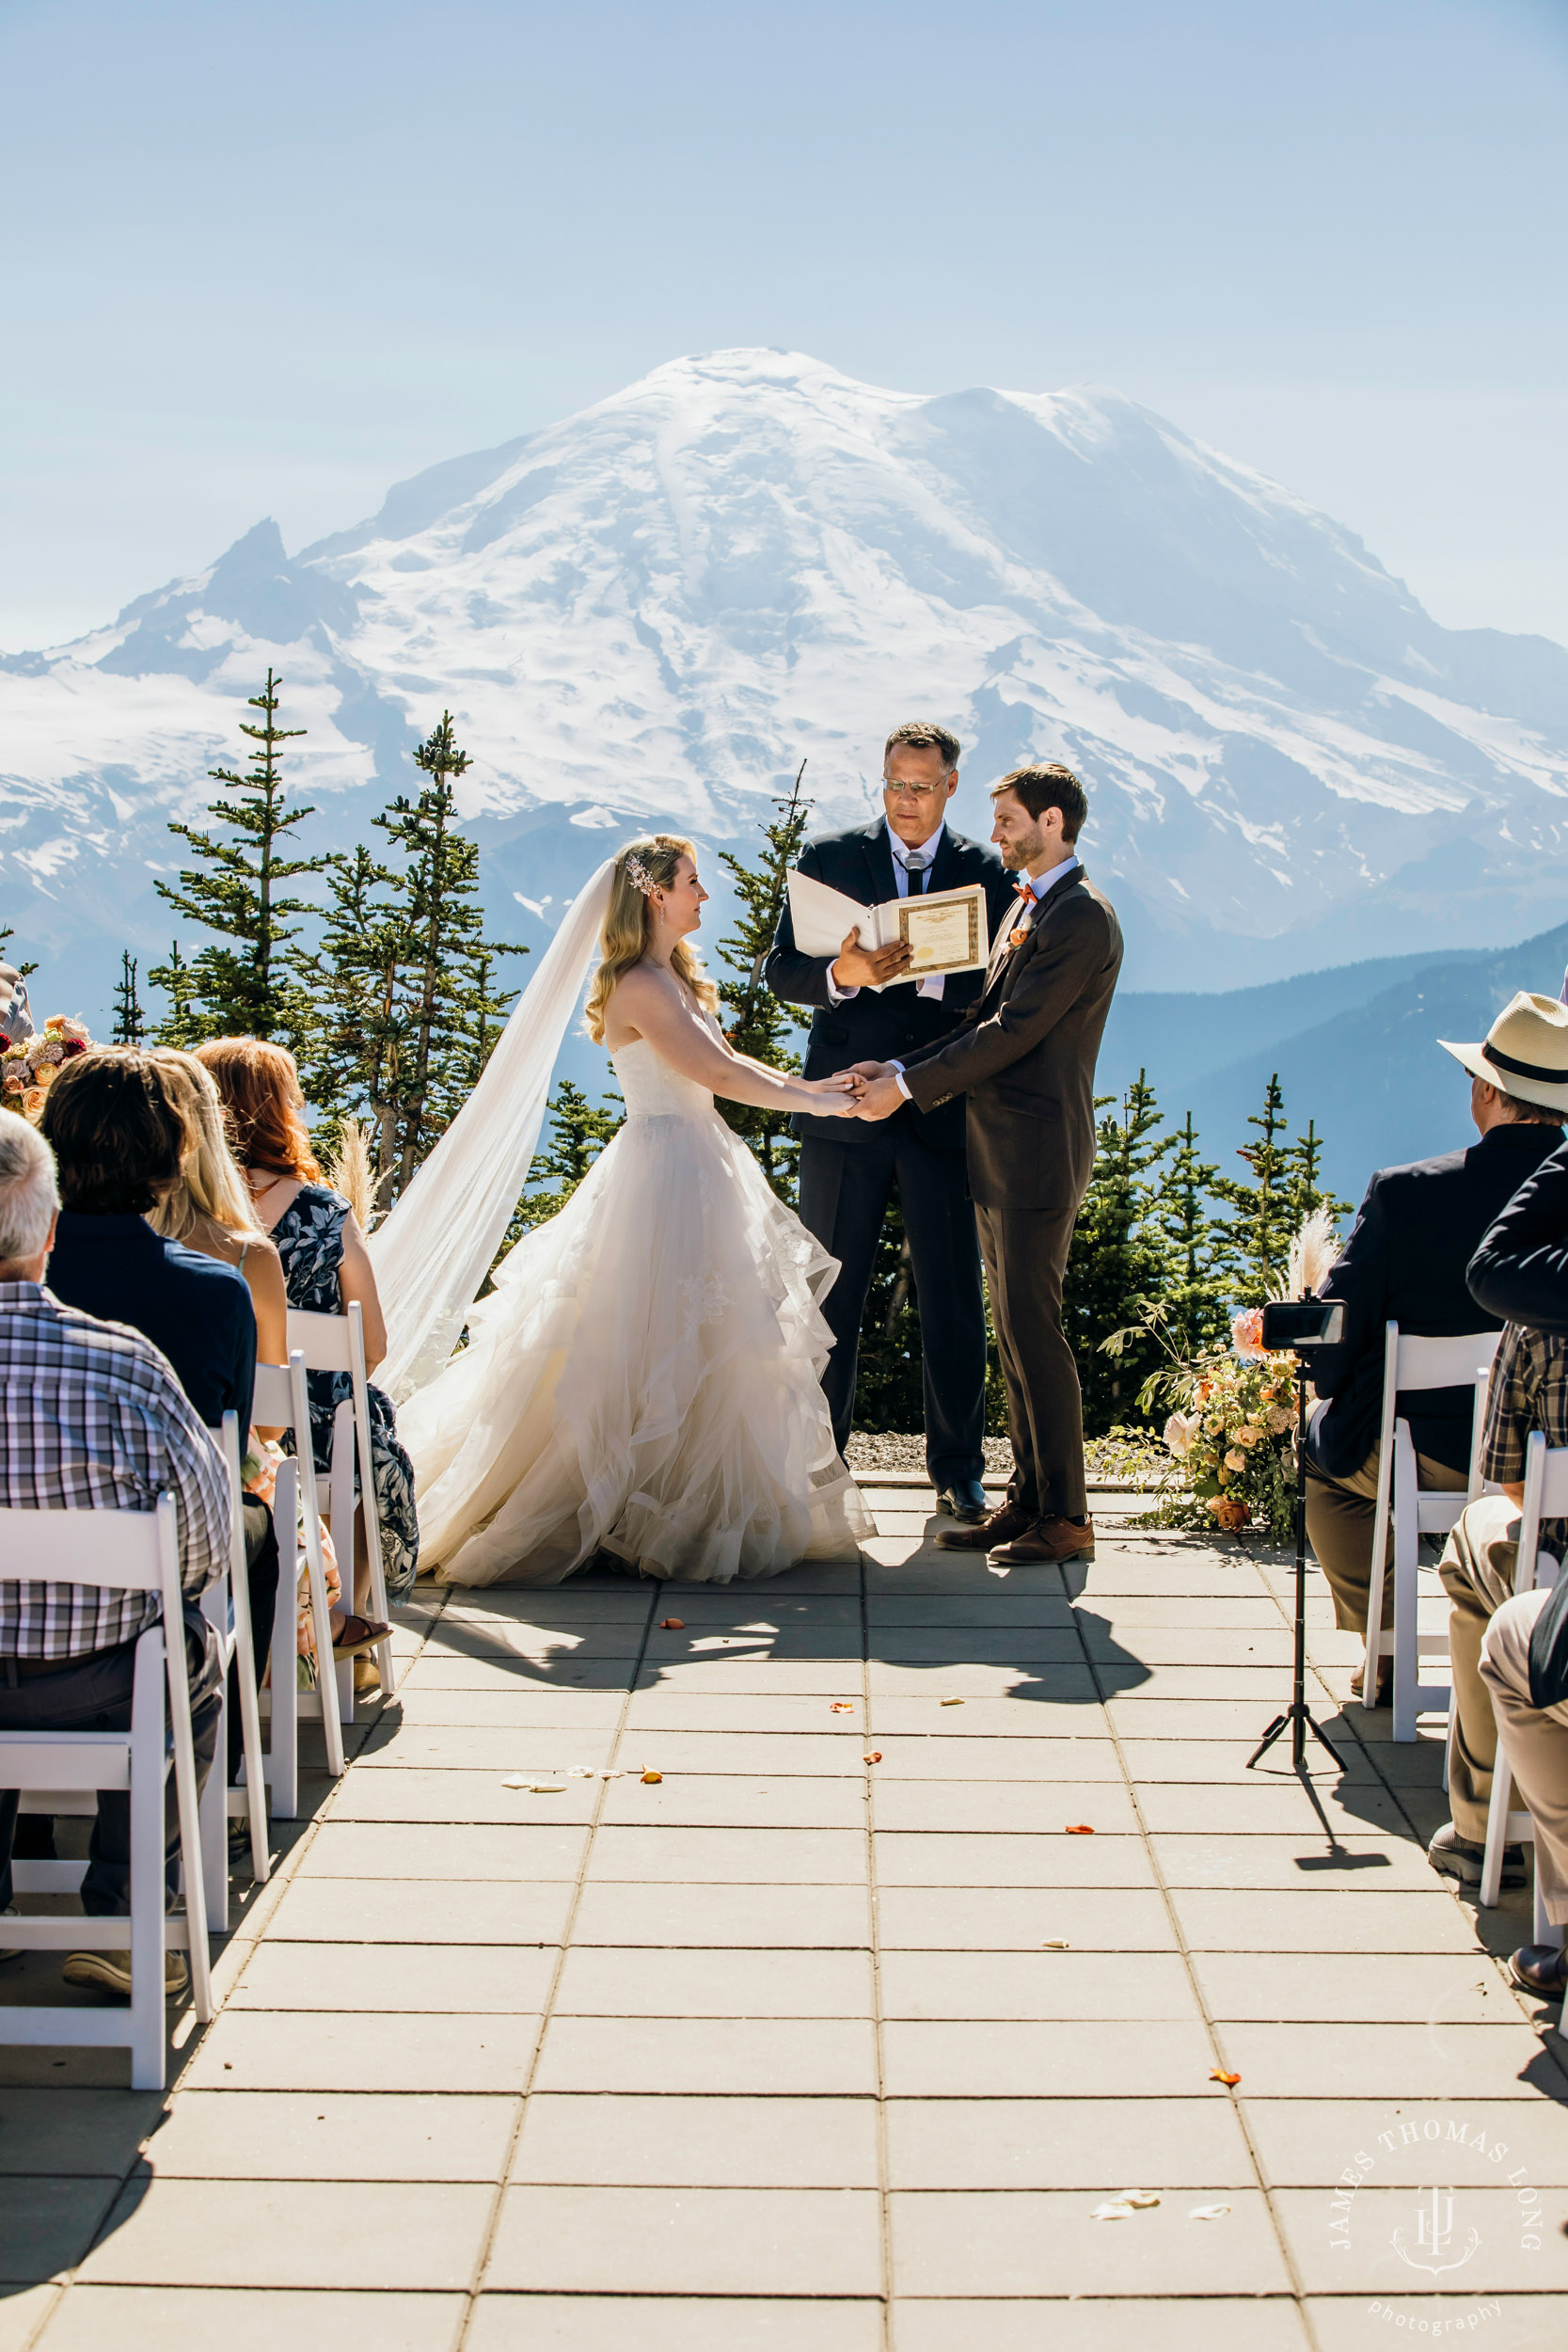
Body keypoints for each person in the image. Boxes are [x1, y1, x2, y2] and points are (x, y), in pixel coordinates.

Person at [395, 835, 872, 1585]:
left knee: (697, 1338)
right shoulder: (639, 986)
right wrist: (817, 1100)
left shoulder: (667, 976)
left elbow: (733, 1067)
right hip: (666, 1171)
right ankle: (619, 1506)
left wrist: (819, 1086)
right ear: (654, 894)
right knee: (644, 1337)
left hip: (695, 1160)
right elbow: (714, 1071)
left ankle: (666, 1504)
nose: (703, 896)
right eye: (691, 883)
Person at [851, 764, 1122, 1566]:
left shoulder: (1080, 917)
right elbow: (983, 1017)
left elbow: (1015, 1034)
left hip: (1039, 1151)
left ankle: (1067, 1516)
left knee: (1035, 1331)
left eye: (1006, 820)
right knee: (1012, 1331)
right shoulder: (1030, 904)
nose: (994, 832)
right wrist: (892, 1069)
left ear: (1049, 820)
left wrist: (904, 1088)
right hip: (1001, 1149)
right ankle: (1029, 1498)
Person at [0, 1116, 230, 1999]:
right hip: (100, 1681)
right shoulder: (123, 1367)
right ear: (51, 1232)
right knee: (187, 1664)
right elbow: (204, 1547)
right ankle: (128, 1915)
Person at [765, 723, 1016, 1522]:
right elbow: (780, 972)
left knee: (951, 1293)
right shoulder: (830, 857)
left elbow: (1006, 991)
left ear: (949, 787)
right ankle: (818, 1467)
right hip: (842, 1103)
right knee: (830, 1291)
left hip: (941, 1103)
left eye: (921, 785)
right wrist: (844, 972)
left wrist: (924, 1071)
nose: (905, 800)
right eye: (893, 784)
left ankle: (959, 1468)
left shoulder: (985, 870)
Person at [1302, 993, 1565, 1708]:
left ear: (1485, 1090)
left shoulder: (1406, 1195)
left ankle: (1380, 1645)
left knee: (1325, 1462)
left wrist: (1320, 1380)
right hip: (1547, 1460)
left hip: (1425, 1450)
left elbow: (1338, 1326)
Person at [195, 1037, 414, 1636]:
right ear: (276, 1108)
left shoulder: (179, 1208)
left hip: (216, 1423)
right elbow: (370, 1345)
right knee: (369, 1434)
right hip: (316, 1435)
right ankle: (348, 1625)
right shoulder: (323, 1211)